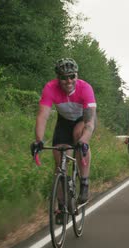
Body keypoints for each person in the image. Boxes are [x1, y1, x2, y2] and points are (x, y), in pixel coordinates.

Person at [31, 58, 97, 207]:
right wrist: (38, 140)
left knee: (78, 135)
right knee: (60, 161)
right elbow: (42, 116)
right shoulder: (50, 88)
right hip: (64, 121)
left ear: (77, 76)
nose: (68, 81)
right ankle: (61, 205)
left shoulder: (85, 88)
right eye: (63, 77)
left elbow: (90, 123)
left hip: (83, 120)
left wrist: (84, 140)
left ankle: (85, 182)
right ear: (57, 78)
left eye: (72, 76)